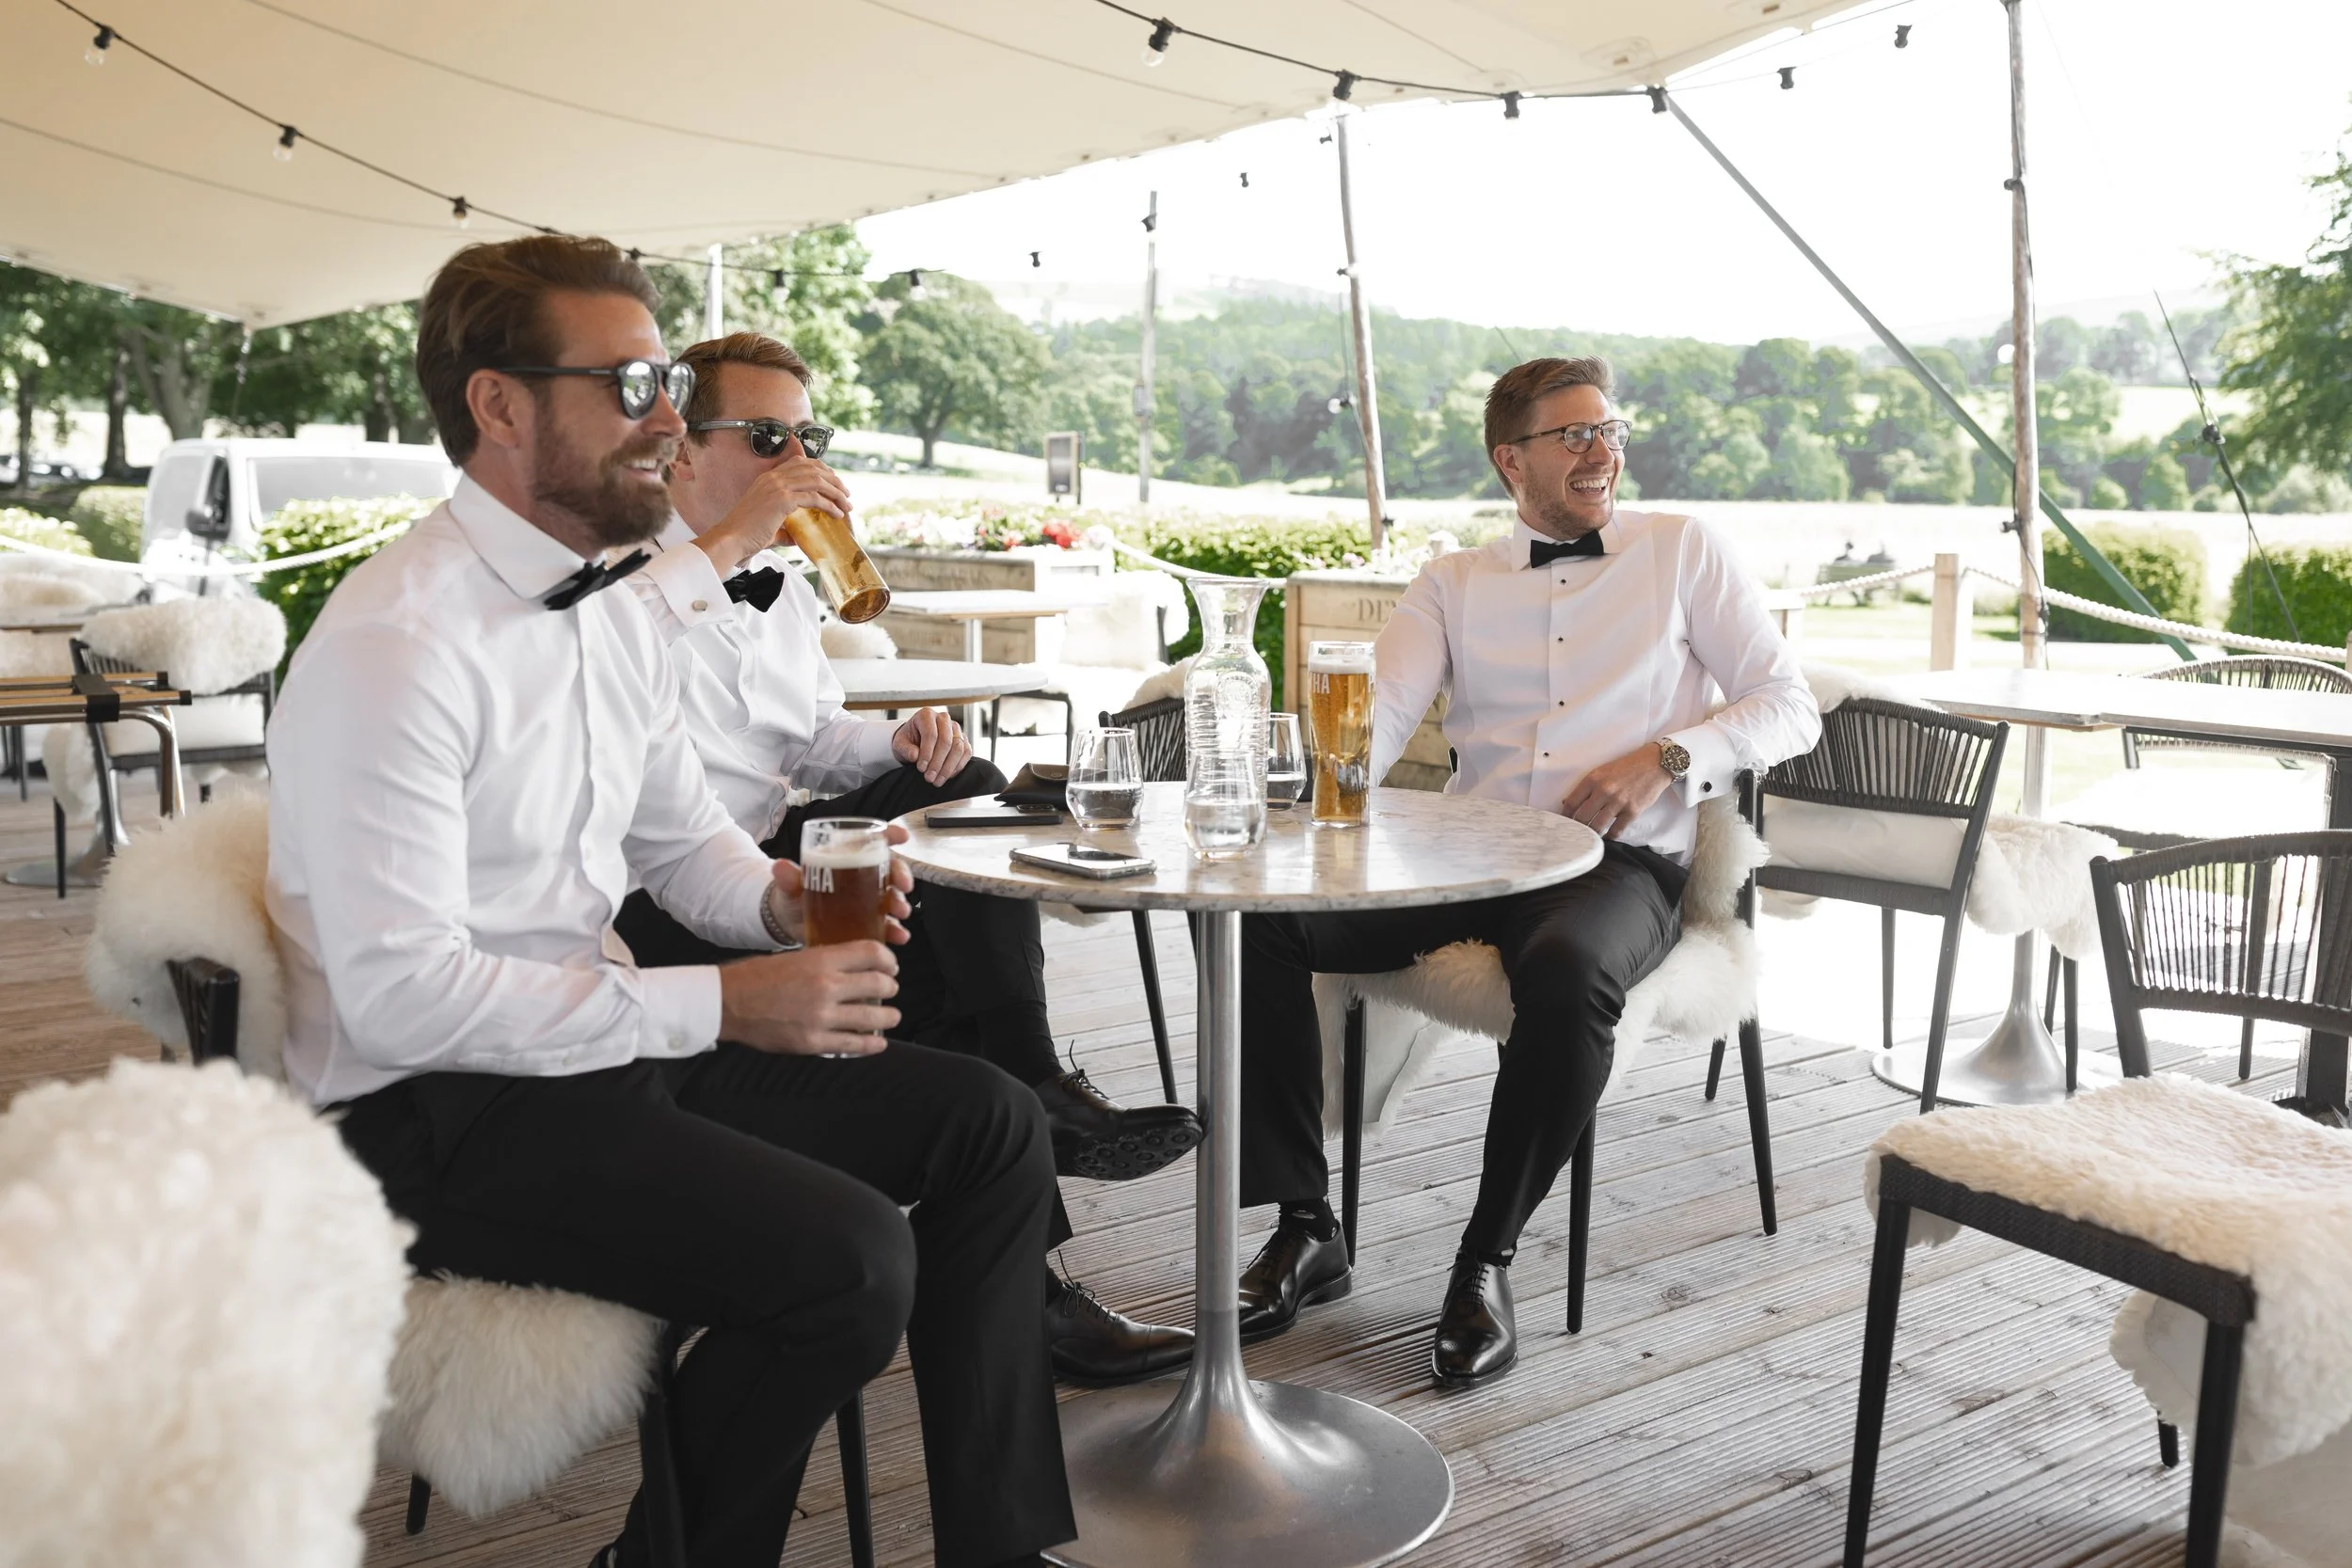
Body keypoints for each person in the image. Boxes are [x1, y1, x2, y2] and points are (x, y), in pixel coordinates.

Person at [266, 235, 1073, 1568]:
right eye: (632, 385)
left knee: (991, 1120)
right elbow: (402, 997)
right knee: (851, 1262)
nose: (664, 422)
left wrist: (783, 900)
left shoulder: (605, 608)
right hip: (430, 1109)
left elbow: (682, 840)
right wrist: (727, 1002)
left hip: (595, 1048)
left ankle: (997, 1547)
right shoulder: (397, 643)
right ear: (499, 404)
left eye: (670, 389)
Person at [610, 330, 1200, 1386]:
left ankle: (1030, 1076)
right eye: (767, 437)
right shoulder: (618, 579)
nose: (798, 459)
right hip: (651, 901)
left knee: (963, 785)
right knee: (932, 980)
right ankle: (1026, 1287)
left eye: (811, 437)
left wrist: (899, 742)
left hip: (767, 858)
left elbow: (808, 741)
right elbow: (628, 696)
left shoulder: (784, 586)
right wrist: (736, 538)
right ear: (682, 447)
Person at [1232, 356, 1820, 1388]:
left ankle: (1483, 1260)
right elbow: (1379, 716)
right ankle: (1307, 1222)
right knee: (1268, 914)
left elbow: (1790, 705)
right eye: (1575, 434)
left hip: (1615, 865)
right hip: (1471, 853)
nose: (1604, 451)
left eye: (1611, 429)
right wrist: (1312, 787)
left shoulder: (1681, 550)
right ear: (1512, 459)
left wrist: (1667, 756)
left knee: (1567, 972)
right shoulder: (1452, 581)